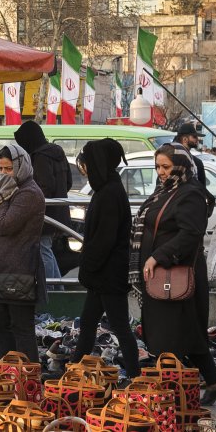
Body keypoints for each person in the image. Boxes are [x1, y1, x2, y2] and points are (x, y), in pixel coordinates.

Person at [133, 146, 216, 406]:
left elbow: (190, 233)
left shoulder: (191, 194)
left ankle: (169, 398)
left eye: (166, 167)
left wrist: (158, 256)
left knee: (171, 336)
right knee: (186, 333)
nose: (162, 172)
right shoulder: (165, 192)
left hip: (176, 273)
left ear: (181, 166)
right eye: (158, 167)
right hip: (163, 275)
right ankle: (215, 382)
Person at [70, 140, 140, 378]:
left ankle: (135, 376)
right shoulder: (108, 189)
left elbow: (104, 239)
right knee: (88, 322)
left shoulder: (109, 193)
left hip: (108, 275)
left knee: (120, 327)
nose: (85, 170)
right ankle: (74, 367)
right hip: (104, 275)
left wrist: (88, 266)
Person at [0, 143, 46, 360]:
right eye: (0, 169)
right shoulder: (12, 190)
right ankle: (5, 372)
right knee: (0, 323)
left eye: (8, 169)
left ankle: (27, 377)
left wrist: (1, 198)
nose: (3, 175)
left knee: (20, 327)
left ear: (20, 166)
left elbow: (4, 224)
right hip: (5, 269)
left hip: (21, 269)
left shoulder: (28, 193)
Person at [13, 121, 70, 283]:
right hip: (59, 210)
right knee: (46, 249)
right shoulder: (57, 152)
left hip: (44, 212)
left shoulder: (39, 157)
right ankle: (58, 287)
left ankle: (51, 289)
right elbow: (68, 182)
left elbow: (44, 187)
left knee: (43, 250)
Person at [174, 122, 208, 187]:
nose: (197, 139)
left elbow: (202, 189)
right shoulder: (169, 159)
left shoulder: (197, 162)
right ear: (185, 139)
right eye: (194, 137)